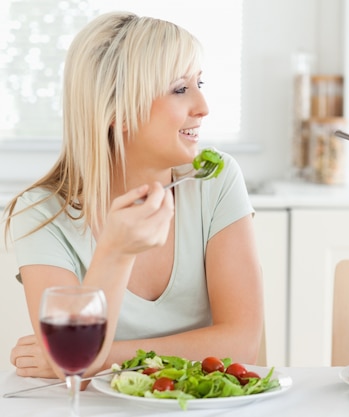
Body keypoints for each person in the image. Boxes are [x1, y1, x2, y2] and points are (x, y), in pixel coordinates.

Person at [3, 11, 264, 380]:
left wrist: (102, 359)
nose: (203, 107)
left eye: (199, 83)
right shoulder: (41, 213)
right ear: (117, 110)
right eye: (179, 89)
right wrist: (115, 251)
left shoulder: (214, 180)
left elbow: (242, 344)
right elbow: (72, 354)